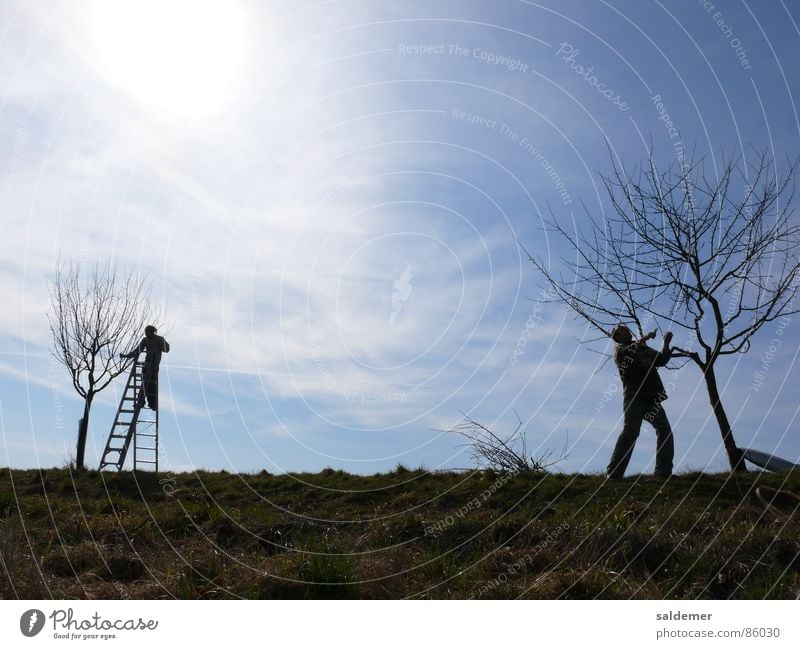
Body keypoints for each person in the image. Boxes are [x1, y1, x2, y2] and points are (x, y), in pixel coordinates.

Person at [606, 324, 674, 480]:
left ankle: (663, 473)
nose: (626, 332)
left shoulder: (642, 348)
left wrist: (666, 343)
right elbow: (629, 352)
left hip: (652, 398)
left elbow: (662, 360)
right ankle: (614, 474)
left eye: (626, 330)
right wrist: (645, 338)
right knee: (631, 433)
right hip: (634, 398)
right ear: (616, 338)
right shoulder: (619, 351)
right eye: (621, 332)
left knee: (665, 431)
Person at [122, 325, 170, 410]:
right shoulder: (145, 340)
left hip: (154, 365)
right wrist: (128, 356)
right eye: (146, 331)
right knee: (145, 384)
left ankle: (151, 403)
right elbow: (138, 350)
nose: (146, 333)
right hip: (147, 364)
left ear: (152, 331)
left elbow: (167, 349)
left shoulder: (159, 339)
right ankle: (142, 402)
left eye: (148, 331)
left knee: (151, 385)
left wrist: (161, 344)